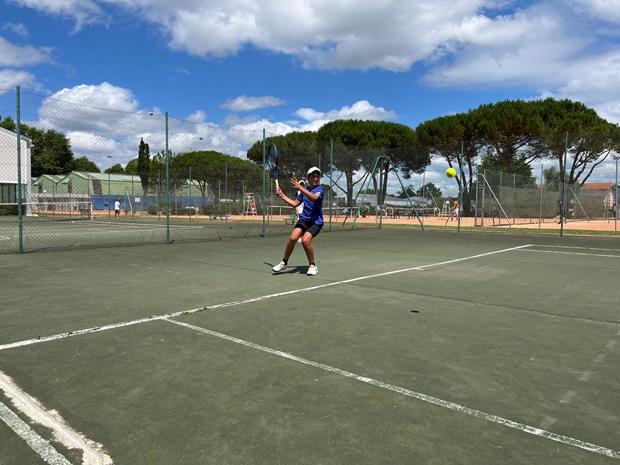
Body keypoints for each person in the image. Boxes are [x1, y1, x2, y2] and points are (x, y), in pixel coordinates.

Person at [272, 167, 324, 276]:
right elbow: (295, 203)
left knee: (305, 240)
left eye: (317, 176)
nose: (316, 178)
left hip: (316, 222)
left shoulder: (320, 190)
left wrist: (301, 187)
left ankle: (312, 266)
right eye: (313, 176)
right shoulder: (303, 192)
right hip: (304, 219)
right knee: (293, 238)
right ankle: (284, 262)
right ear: (309, 178)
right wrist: (282, 195)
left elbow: (313, 198)